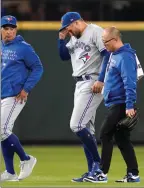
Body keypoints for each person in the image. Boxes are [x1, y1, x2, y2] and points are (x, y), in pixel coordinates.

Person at [85, 27, 142, 183]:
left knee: (105, 134)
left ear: (115, 40)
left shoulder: (125, 56)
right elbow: (106, 69)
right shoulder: (113, 55)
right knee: (122, 138)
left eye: (106, 42)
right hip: (115, 102)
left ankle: (101, 173)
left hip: (121, 103)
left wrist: (129, 105)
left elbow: (130, 82)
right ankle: (133, 174)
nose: (104, 45)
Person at [58, 12, 110, 182]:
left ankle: (99, 167)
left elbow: (107, 54)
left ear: (76, 22)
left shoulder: (94, 31)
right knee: (87, 128)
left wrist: (102, 80)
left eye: (68, 28)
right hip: (80, 83)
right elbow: (64, 56)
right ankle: (92, 172)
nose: (68, 31)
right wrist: (61, 39)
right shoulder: (74, 37)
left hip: (93, 82)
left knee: (76, 125)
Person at [1, 15, 43, 181]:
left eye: (12, 28)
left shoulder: (24, 48)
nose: (9, 31)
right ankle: (10, 172)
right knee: (3, 132)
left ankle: (26, 159)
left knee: (2, 130)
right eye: (6, 28)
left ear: (16, 30)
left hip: (15, 95)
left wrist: (26, 89)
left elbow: (38, 68)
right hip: (2, 93)